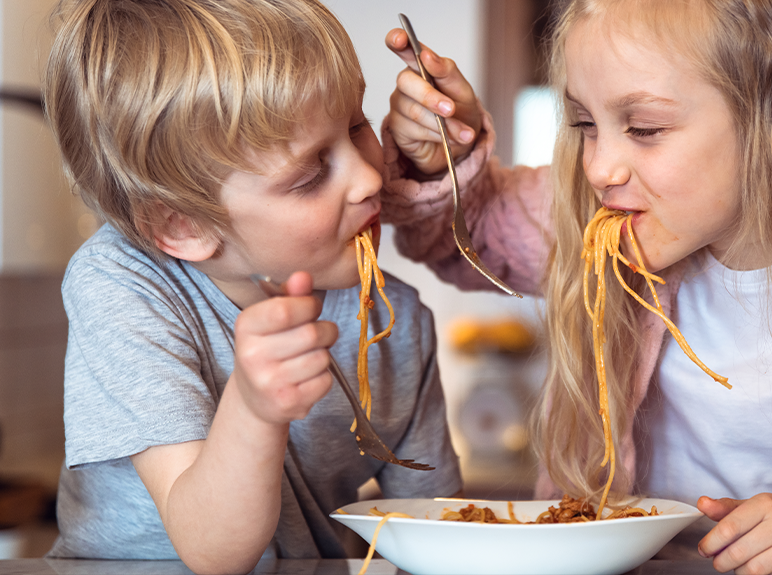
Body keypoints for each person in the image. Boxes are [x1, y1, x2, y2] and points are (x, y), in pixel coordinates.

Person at [381, 0, 772, 573]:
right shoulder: (587, 221)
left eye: (645, 129)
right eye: (584, 125)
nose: (600, 168)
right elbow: (458, 238)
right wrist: (443, 155)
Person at [43, 1, 462, 573]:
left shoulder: (398, 323)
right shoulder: (123, 286)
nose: (369, 178)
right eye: (312, 174)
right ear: (182, 226)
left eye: (357, 127)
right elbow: (212, 552)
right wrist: (256, 409)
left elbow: (438, 533)